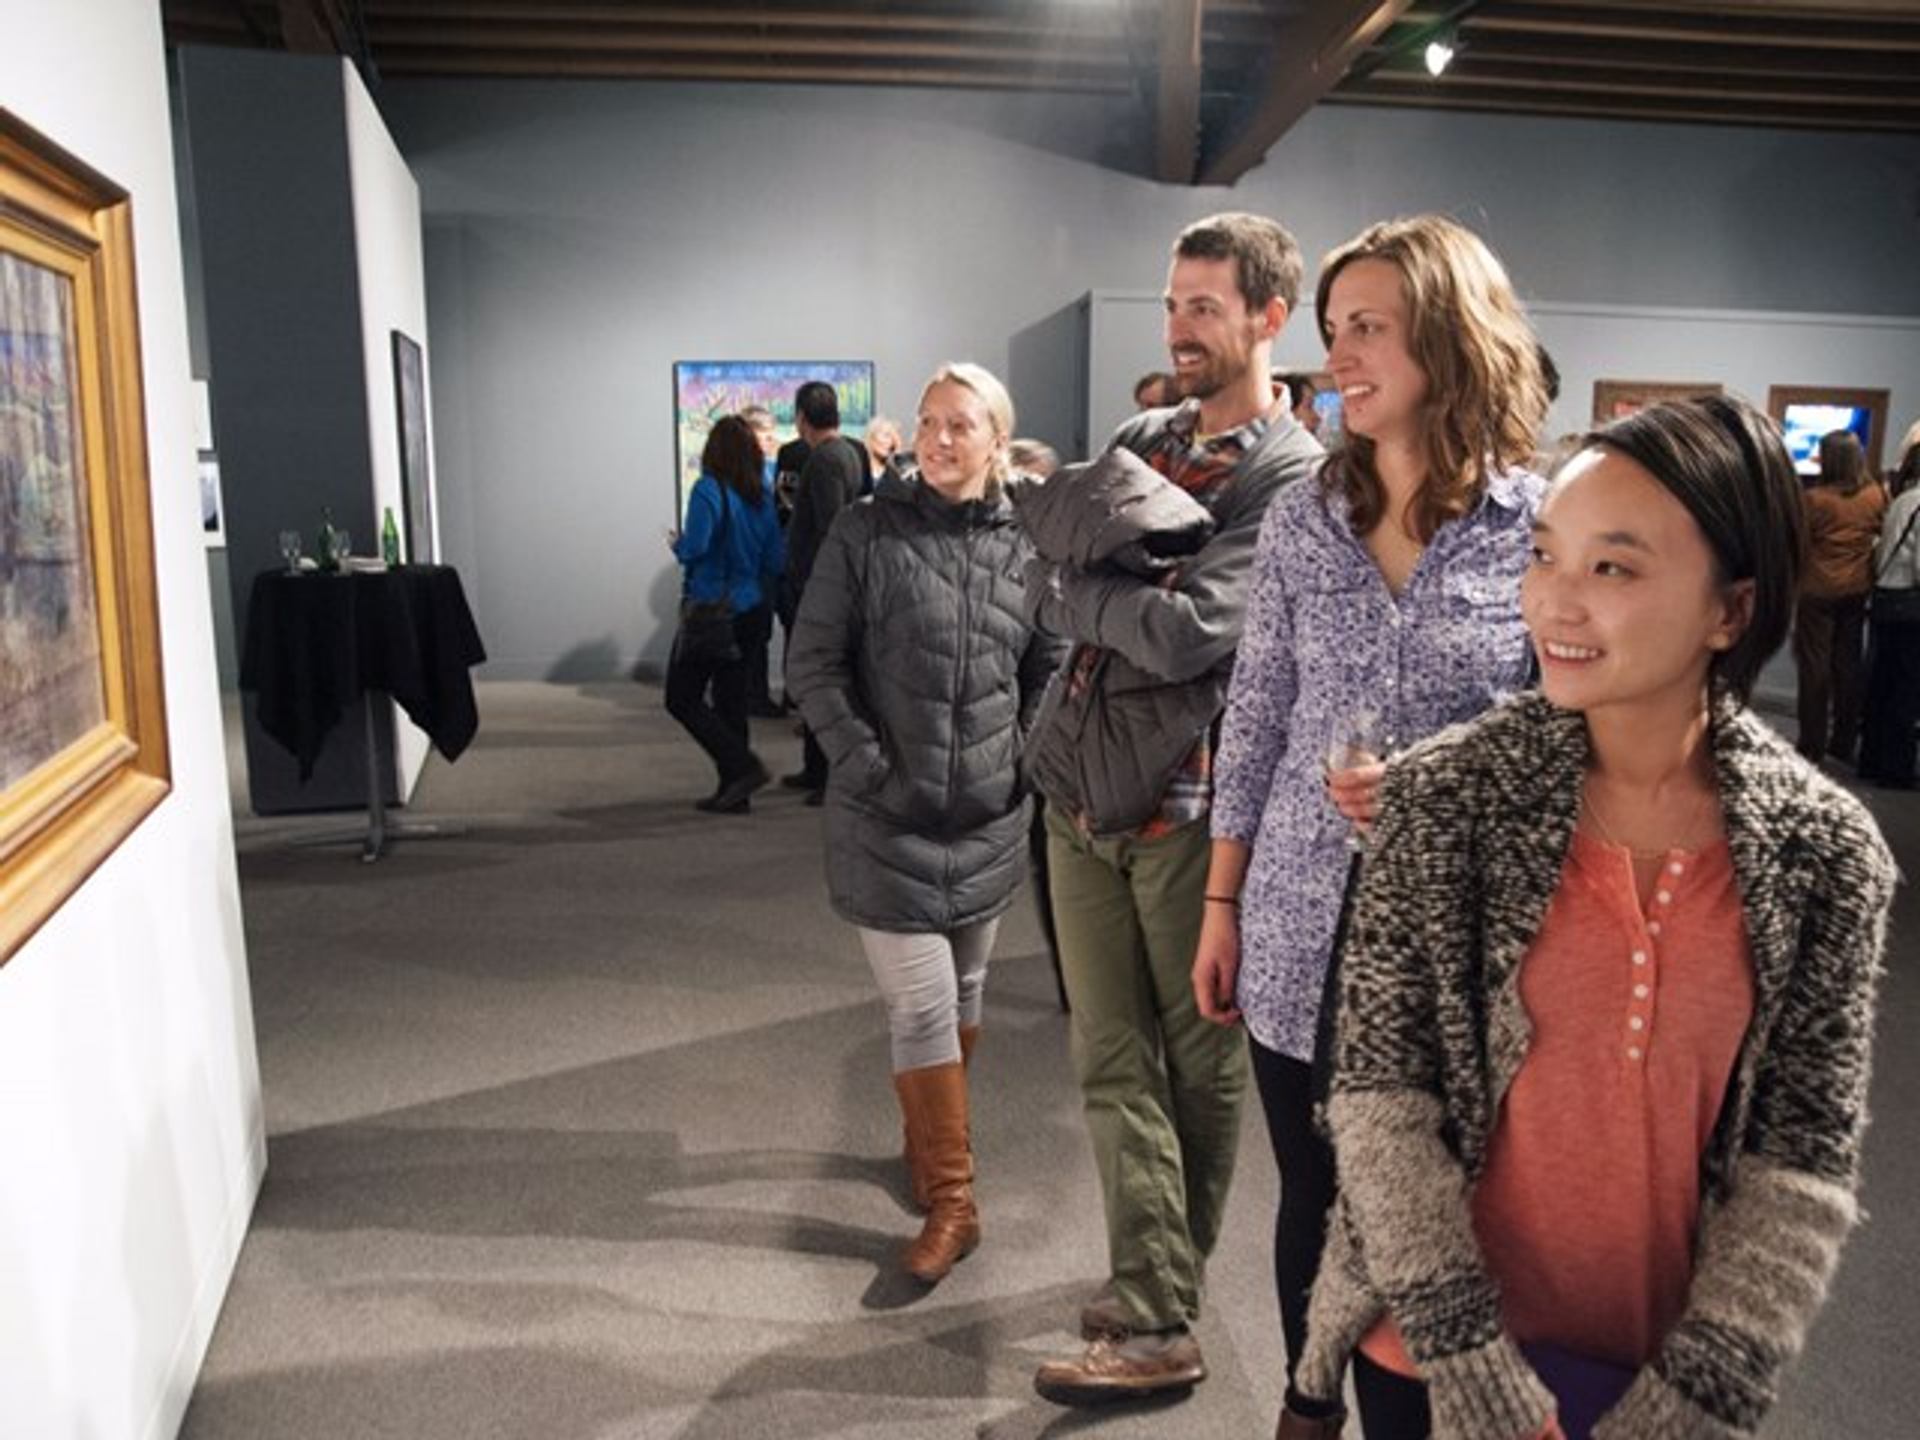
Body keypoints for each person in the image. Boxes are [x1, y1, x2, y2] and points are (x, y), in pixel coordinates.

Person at [1292, 395, 1894, 1440]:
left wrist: (1698, 1394)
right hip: (1427, 1351)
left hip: (1654, 1369)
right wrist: (1470, 1361)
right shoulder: (1444, 800)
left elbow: (1799, 1163)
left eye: (1612, 568)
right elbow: (1382, 1099)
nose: (1554, 604)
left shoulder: (1825, 854)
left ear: (1731, 610)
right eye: (1543, 556)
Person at [1196, 214, 1549, 1440]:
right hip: (1299, 915)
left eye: (1368, 329)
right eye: (1333, 327)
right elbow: (1256, 716)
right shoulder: (1306, 517)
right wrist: (1221, 903)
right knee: (1311, 1193)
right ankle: (1308, 1408)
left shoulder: (1537, 527)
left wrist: (1445, 788)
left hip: (1460, 941)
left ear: (1447, 339)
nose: (1338, 355)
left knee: (1421, 1206)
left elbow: (1570, 738)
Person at [1022, 212, 1322, 1406]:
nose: (1180, 328)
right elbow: (1045, 578)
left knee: (1196, 1065)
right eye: (1171, 304)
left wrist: (1096, 591)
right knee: (1106, 1050)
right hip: (1079, 795)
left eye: (1205, 306)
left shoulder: (1289, 473)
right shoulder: (1143, 437)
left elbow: (1196, 630)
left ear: (1267, 316)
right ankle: (1159, 1294)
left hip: (1192, 808)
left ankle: (1156, 1307)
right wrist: (1108, 596)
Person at [787, 363, 1063, 1286]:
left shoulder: (1029, 540)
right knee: (921, 1002)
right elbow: (812, 664)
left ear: (997, 440)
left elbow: (1052, 664)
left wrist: (1020, 759)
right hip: (886, 819)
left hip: (988, 812)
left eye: (961, 425)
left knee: (968, 987)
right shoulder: (866, 530)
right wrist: (868, 766)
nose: (940, 439)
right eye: (929, 421)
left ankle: (924, 1139)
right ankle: (954, 1199)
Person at [665, 415, 785, 813]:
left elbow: (696, 547)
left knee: (681, 697)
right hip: (752, 607)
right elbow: (775, 558)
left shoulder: (708, 489)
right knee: (731, 700)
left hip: (713, 609)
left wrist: (678, 546)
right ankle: (736, 791)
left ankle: (743, 767)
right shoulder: (762, 495)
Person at [781, 380, 869, 801]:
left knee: (822, 684)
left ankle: (828, 776)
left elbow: (832, 527)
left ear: (802, 417)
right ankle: (815, 769)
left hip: (823, 591)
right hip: (827, 588)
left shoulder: (826, 459)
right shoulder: (847, 453)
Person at [1793, 428, 1886, 765]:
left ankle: (1811, 743)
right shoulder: (1876, 495)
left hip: (1817, 591)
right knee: (1849, 666)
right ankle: (1843, 741)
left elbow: (1797, 543)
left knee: (1814, 668)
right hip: (1857, 589)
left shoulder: (1815, 500)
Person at [1859, 421, 1920, 787]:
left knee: (1881, 685)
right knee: (1906, 688)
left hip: (1886, 600)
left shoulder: (1900, 500)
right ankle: (1895, 768)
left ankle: (1871, 759)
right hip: (1911, 609)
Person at [738, 404, 787, 718]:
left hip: (767, 564)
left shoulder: (771, 468)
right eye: (764, 434)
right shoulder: (742, 475)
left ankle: (753, 694)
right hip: (752, 565)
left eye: (772, 433)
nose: (771, 440)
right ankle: (749, 696)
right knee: (751, 632)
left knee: (759, 632)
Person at [864, 414, 903, 491]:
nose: (890, 442)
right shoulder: (856, 470)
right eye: (886, 435)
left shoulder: (893, 475)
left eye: (892, 438)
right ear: (871, 437)